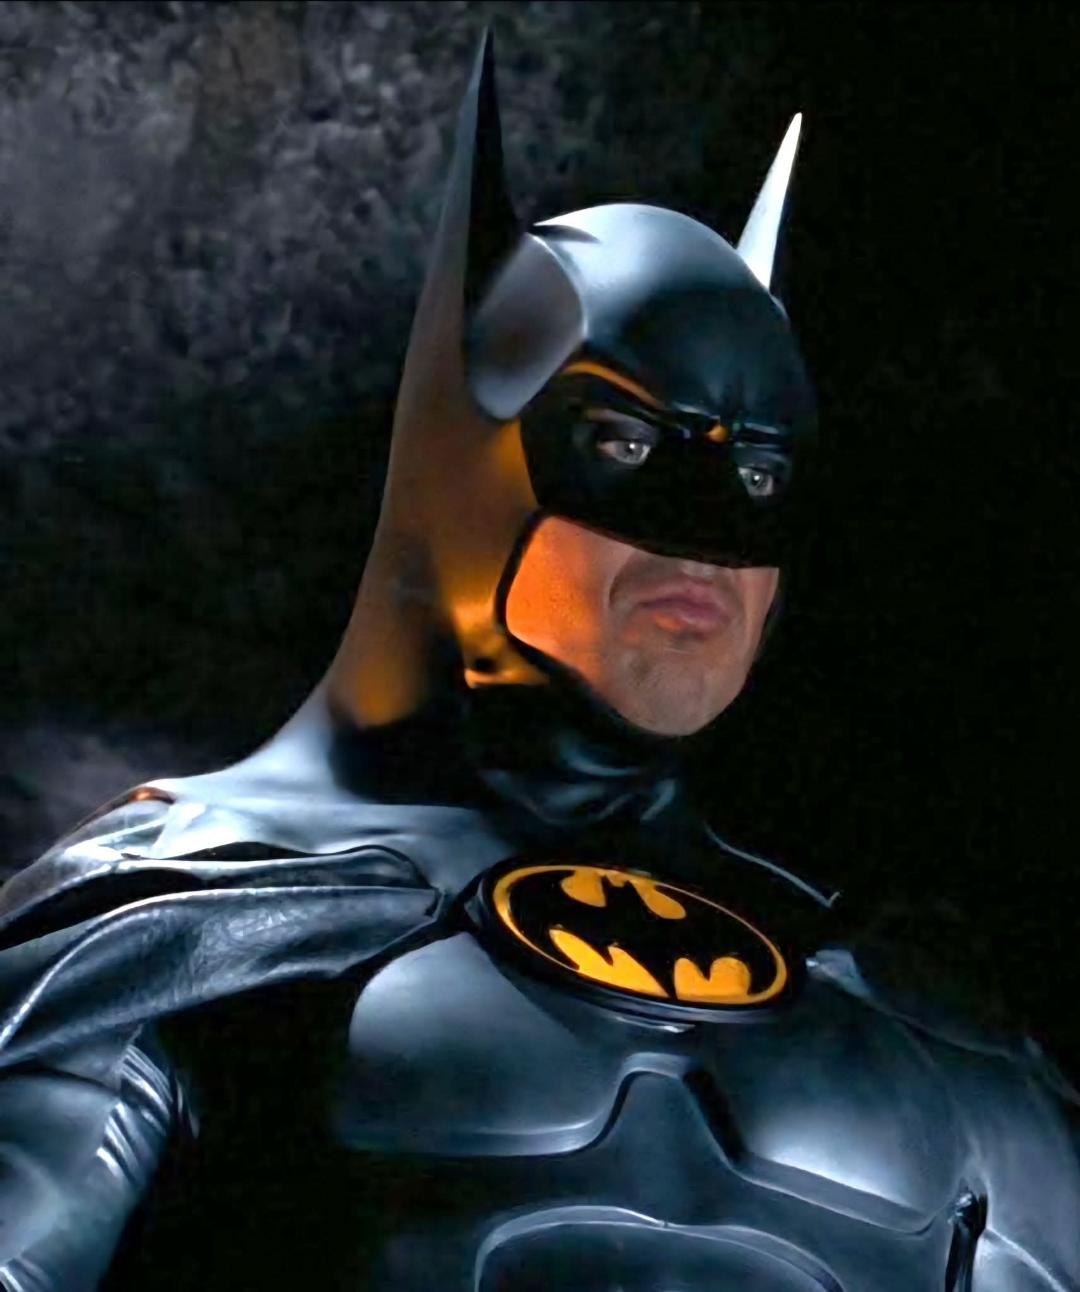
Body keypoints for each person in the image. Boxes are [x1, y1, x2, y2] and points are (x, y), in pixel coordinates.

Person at [1, 34, 1077, 1292]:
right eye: (622, 444)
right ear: (463, 466)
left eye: (757, 473)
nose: (708, 533)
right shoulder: (183, 922)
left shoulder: (910, 1009)